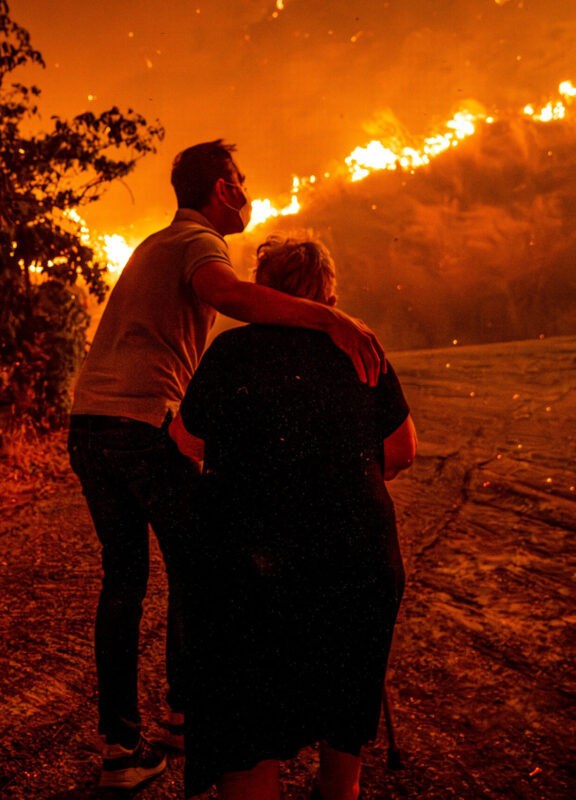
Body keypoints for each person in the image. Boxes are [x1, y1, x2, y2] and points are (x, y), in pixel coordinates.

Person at [67, 141, 387, 790]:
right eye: (240, 180)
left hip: (89, 424)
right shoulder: (197, 242)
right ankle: (191, 717)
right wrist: (329, 320)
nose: (247, 190)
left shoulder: (153, 244)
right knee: (211, 565)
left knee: (124, 582)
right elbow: (229, 295)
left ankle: (121, 751)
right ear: (220, 189)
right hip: (139, 422)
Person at [176, 235, 417, 800]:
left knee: (248, 727)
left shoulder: (232, 353)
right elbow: (403, 450)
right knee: (342, 712)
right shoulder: (360, 348)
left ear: (263, 289)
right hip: (358, 562)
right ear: (328, 293)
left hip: (251, 570)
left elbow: (186, 442)